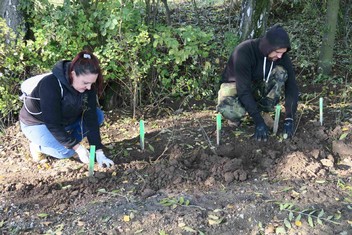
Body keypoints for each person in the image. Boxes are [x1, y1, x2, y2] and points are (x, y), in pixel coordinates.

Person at [19, 50, 114, 167]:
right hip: (38, 123)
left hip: (65, 120)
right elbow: (52, 124)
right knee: (66, 152)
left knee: (98, 115)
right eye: (85, 83)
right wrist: (77, 147)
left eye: (91, 83)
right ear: (73, 74)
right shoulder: (50, 84)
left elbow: (91, 117)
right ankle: (38, 147)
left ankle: (65, 142)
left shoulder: (88, 85)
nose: (89, 87)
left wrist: (99, 151)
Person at [217, 24, 299, 141]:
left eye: (283, 53)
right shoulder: (244, 52)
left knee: (281, 73)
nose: (280, 56)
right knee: (233, 111)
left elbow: (292, 86)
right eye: (277, 52)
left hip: (257, 85)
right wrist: (258, 121)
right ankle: (237, 117)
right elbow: (243, 90)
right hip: (236, 86)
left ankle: (263, 110)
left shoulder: (281, 57)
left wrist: (289, 118)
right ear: (268, 47)